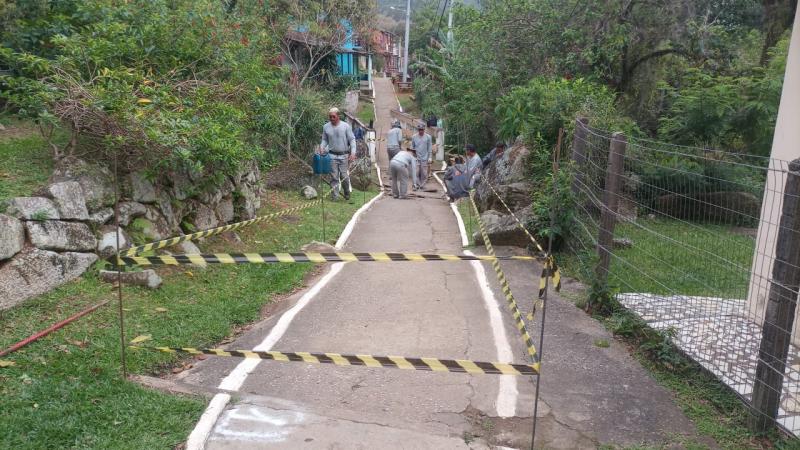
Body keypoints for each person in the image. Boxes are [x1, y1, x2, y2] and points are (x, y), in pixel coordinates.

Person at [319, 107, 356, 201]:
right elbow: (324, 139)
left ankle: (346, 191)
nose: (331, 118)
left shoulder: (345, 126)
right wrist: (322, 147)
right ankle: (334, 196)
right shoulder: (326, 127)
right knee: (334, 177)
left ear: (338, 116)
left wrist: (353, 153)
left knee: (344, 176)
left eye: (333, 117)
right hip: (331, 155)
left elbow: (352, 139)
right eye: (330, 117)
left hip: (344, 155)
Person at [411, 123, 432, 189]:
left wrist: (430, 157)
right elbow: (412, 147)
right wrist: (412, 155)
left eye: (422, 130)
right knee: (416, 172)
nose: (421, 131)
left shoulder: (428, 137)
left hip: (425, 158)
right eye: (419, 130)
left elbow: (429, 147)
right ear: (418, 130)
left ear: (424, 130)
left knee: (424, 173)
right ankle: (417, 184)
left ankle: (422, 185)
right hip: (417, 157)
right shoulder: (414, 137)